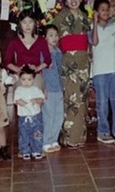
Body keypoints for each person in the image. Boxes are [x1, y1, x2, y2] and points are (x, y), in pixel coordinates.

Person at [53, 0, 91, 148]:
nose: (73, 0)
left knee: (82, 100)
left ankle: (79, 136)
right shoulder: (60, 17)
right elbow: (55, 40)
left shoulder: (85, 17)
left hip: (84, 62)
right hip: (67, 62)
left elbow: (88, 40)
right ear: (65, 1)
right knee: (70, 98)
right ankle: (68, 137)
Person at [89, 0, 115, 146]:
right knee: (102, 103)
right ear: (97, 12)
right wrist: (94, 21)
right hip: (99, 71)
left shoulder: (114, 26)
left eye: (107, 9)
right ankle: (103, 132)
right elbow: (95, 41)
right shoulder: (91, 27)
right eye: (102, 9)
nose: (105, 11)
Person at [4, 9, 51, 90]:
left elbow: (48, 60)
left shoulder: (41, 40)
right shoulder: (14, 41)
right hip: (20, 75)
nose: (27, 25)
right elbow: (6, 61)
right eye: (24, 22)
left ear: (35, 23)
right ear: (20, 24)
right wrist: (17, 69)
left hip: (36, 75)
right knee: (20, 94)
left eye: (30, 22)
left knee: (36, 93)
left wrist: (37, 68)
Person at [42, 25, 65, 154]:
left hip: (58, 88)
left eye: (56, 35)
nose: (54, 38)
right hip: (48, 89)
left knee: (59, 115)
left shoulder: (58, 52)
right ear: (44, 38)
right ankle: (46, 141)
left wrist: (62, 87)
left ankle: (54, 139)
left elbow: (60, 71)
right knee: (48, 115)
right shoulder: (43, 52)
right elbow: (41, 72)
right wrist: (43, 88)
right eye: (51, 35)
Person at [14, 67, 45, 160]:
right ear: (20, 79)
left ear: (33, 79)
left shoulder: (36, 89)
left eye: (29, 79)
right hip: (24, 117)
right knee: (24, 135)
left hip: (36, 116)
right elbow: (17, 100)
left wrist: (36, 100)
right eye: (23, 79)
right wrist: (26, 104)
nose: (26, 82)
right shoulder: (19, 90)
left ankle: (37, 150)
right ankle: (25, 151)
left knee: (37, 134)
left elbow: (41, 99)